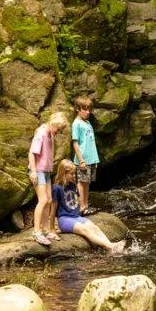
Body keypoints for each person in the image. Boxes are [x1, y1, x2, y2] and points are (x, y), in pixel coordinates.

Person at [50, 160, 125, 253]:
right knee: (85, 229)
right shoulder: (57, 188)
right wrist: (52, 229)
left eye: (74, 173)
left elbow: (75, 202)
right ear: (63, 173)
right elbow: (53, 209)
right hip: (65, 219)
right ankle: (111, 247)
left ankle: (110, 245)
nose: (74, 176)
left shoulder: (73, 184)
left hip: (76, 217)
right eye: (71, 174)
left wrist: (81, 210)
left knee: (94, 227)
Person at [28, 111, 68, 246]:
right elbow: (31, 153)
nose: (58, 132)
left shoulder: (50, 134)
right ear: (53, 124)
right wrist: (33, 171)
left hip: (46, 171)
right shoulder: (41, 133)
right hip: (38, 171)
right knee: (43, 200)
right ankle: (36, 232)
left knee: (49, 200)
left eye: (60, 130)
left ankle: (45, 230)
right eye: (58, 129)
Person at [71, 96, 99, 215]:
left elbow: (91, 143)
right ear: (78, 109)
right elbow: (75, 143)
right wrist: (81, 160)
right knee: (81, 183)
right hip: (82, 160)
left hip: (91, 159)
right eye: (85, 109)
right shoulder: (76, 124)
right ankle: (81, 207)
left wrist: (95, 159)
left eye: (89, 110)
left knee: (87, 183)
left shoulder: (87, 122)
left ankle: (86, 206)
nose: (88, 112)